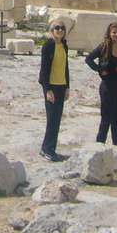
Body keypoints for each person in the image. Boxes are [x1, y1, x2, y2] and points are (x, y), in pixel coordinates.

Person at [85, 22, 117, 147]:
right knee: (106, 118)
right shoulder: (104, 47)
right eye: (114, 32)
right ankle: (99, 145)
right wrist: (99, 69)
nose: (116, 34)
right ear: (109, 34)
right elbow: (88, 59)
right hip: (108, 86)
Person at [38, 18, 70, 161]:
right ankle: (46, 149)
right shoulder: (47, 46)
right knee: (52, 119)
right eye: (57, 28)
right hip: (51, 86)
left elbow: (65, 66)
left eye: (62, 28)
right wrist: (47, 90)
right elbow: (44, 71)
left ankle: (50, 148)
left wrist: (68, 86)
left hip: (61, 85)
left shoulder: (64, 46)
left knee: (57, 119)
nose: (60, 30)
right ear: (52, 31)